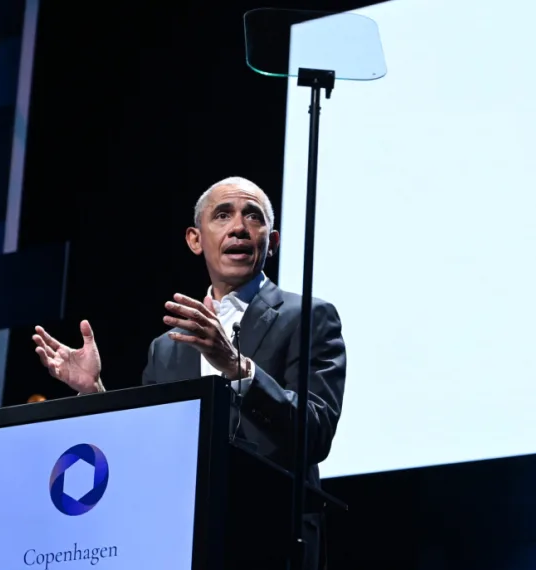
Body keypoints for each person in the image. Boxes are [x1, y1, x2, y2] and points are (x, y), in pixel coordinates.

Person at [32, 177, 346, 569]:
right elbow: (145, 449)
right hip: (181, 540)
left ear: (273, 240)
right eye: (223, 215)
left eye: (253, 216)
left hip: (272, 539)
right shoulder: (166, 347)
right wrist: (94, 391)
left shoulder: (309, 318)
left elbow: (315, 433)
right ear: (195, 240)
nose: (238, 227)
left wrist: (238, 367)